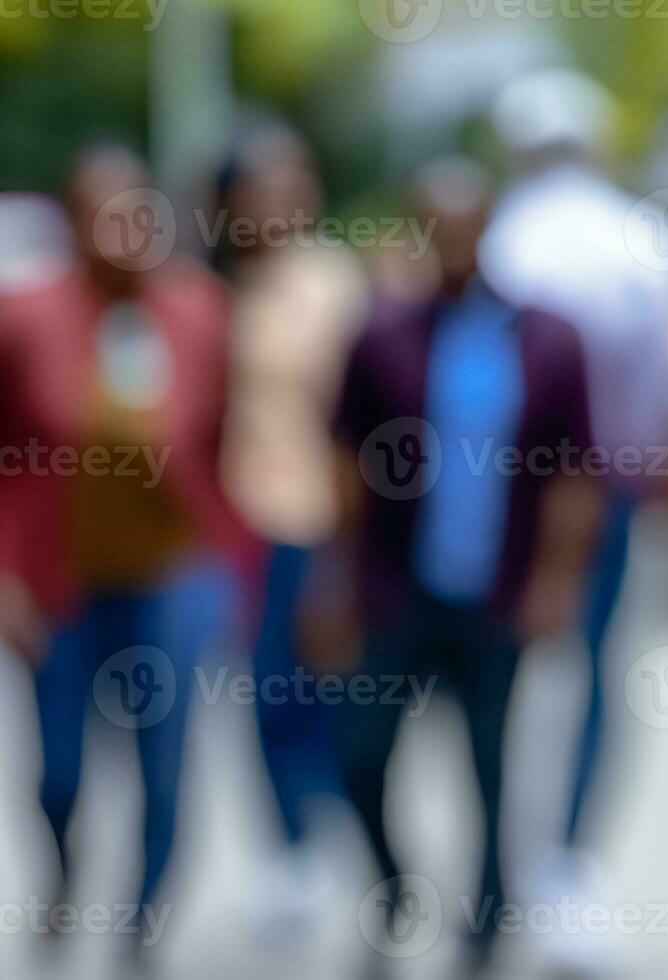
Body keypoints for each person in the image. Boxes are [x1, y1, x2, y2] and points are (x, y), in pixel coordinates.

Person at [304, 157, 601, 973]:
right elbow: (345, 461)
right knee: (361, 753)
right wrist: (332, 579)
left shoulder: (548, 338)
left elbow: (576, 472)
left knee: (490, 759)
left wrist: (556, 580)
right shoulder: (384, 335)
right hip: (398, 585)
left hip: (496, 590)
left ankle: (490, 910)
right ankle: (395, 884)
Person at [0, 144, 243, 973]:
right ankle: (64, 873)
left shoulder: (198, 310)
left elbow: (223, 451)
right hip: (62, 577)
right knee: (60, 764)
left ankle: (141, 919)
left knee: (165, 764)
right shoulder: (26, 315)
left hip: (171, 574)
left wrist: (235, 570)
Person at [478, 73, 668, 958]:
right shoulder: (647, 240)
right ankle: (564, 860)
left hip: (502, 496)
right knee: (596, 671)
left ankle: (503, 868)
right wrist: (657, 477)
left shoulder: (498, 238)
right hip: (607, 488)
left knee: (501, 679)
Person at [212, 123, 368, 929]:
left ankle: (326, 836)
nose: (280, 199)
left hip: (313, 518)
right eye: (262, 185)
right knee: (261, 694)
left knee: (312, 688)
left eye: (292, 180)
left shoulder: (332, 284)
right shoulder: (211, 286)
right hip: (230, 526)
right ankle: (292, 849)